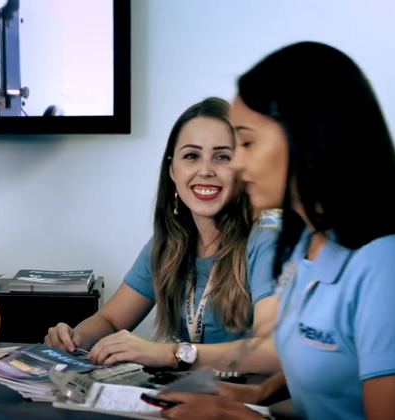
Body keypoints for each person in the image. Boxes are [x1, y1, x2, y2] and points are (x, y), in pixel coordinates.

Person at [157, 41, 395, 420]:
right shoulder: (306, 242)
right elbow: (328, 355)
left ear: (305, 137)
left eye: (247, 143)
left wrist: (237, 417)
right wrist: (258, 392)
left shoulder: (393, 266)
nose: (235, 164)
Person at [44, 97, 281, 372]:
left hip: (246, 395)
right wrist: (72, 339)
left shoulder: (266, 240)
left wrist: (171, 353)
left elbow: (271, 349)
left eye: (222, 157)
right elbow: (110, 320)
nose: (206, 170)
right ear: (172, 170)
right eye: (191, 156)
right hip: (190, 392)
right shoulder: (166, 245)